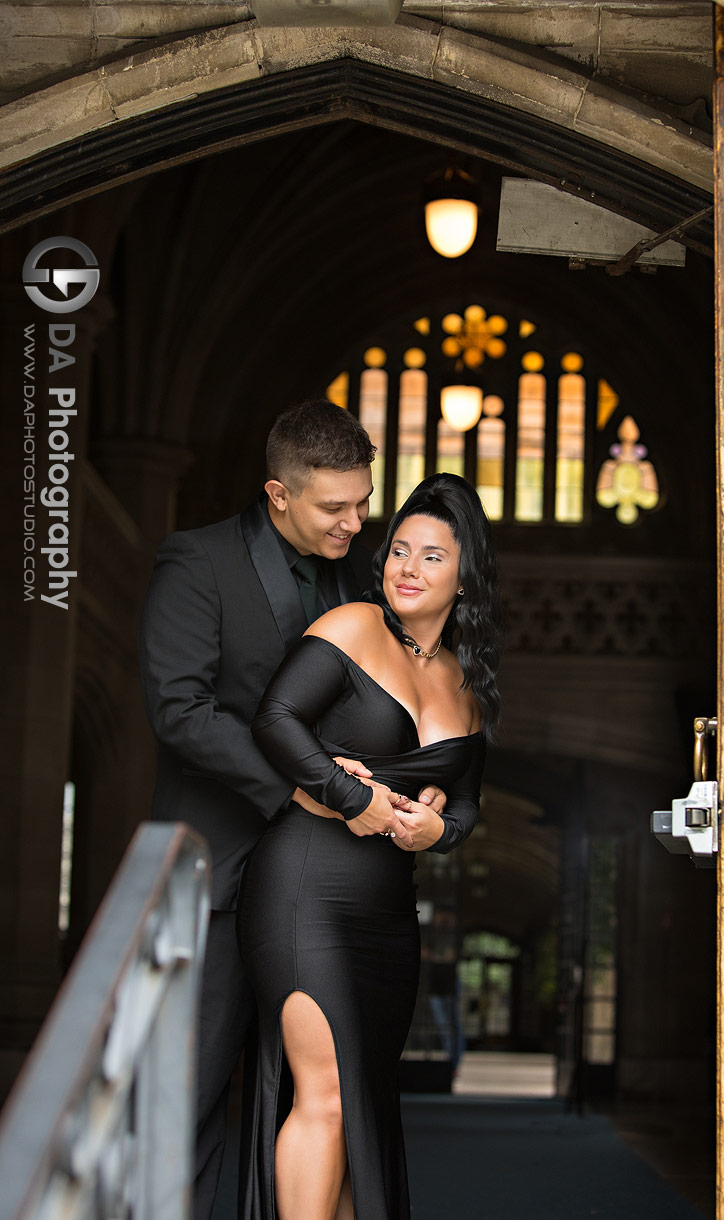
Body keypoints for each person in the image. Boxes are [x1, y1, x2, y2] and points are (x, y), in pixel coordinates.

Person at [138, 400, 447, 1220]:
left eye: (362, 501)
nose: (356, 522)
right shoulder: (195, 560)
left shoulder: (363, 580)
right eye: (334, 508)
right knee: (190, 1100)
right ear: (278, 493)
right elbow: (179, 710)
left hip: (322, 893)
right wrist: (303, 786)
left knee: (313, 1108)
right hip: (215, 879)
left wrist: (431, 785)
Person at [238, 472, 501, 1220]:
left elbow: (468, 804)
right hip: (304, 888)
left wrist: (434, 830)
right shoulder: (353, 625)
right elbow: (276, 719)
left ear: (465, 575)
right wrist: (353, 798)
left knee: (360, 1104)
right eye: (398, 551)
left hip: (388, 918)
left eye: (431, 556)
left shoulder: (467, 684)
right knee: (321, 1097)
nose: (406, 569)